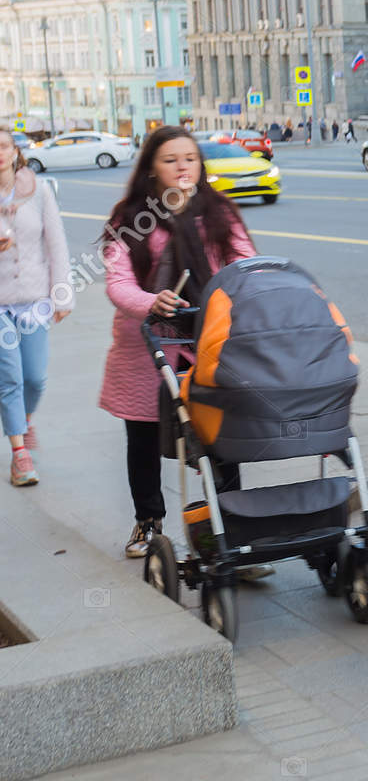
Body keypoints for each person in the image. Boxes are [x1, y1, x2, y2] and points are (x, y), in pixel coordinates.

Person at [97, 126, 266, 569]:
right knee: (144, 437)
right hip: (145, 350)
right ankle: (149, 521)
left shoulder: (219, 212)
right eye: (171, 160)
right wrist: (152, 302)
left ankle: (230, 534)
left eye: (189, 158)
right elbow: (118, 284)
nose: (183, 166)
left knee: (220, 437)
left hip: (208, 341)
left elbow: (244, 263)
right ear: (152, 168)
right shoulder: (129, 217)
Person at [0, 129, 71, 486]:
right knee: (9, 376)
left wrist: (61, 294)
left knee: (34, 378)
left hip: (33, 300)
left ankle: (24, 420)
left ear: (15, 152)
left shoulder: (38, 191)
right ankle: (19, 455)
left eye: (3, 146)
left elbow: (56, 244)